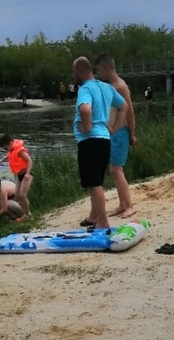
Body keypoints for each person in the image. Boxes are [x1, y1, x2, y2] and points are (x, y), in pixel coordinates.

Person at [72, 56, 128, 229]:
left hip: (90, 141)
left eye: (74, 72)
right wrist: (115, 127)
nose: (73, 75)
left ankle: (103, 223)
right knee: (97, 181)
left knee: (94, 184)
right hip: (104, 140)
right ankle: (95, 217)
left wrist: (87, 127)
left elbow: (85, 108)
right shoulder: (105, 87)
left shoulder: (85, 88)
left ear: (80, 71)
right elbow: (123, 106)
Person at [91, 53, 137, 219]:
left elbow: (130, 112)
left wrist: (132, 134)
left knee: (116, 170)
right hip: (112, 134)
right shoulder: (111, 86)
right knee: (113, 170)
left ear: (106, 68)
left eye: (99, 70)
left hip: (120, 133)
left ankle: (130, 206)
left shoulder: (120, 86)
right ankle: (122, 204)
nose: (98, 74)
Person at [0, 135, 32, 216]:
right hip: (19, 176)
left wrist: (28, 173)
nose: (5, 150)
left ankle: (28, 214)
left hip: (26, 175)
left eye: (5, 148)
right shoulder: (11, 150)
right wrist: (2, 160)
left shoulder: (20, 151)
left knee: (22, 195)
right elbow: (8, 156)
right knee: (17, 195)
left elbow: (29, 160)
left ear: (11, 143)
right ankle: (24, 213)